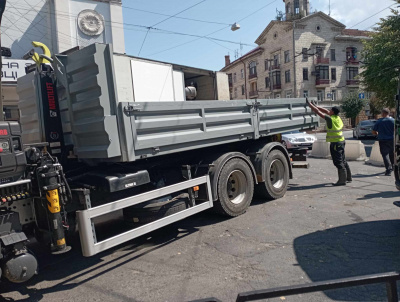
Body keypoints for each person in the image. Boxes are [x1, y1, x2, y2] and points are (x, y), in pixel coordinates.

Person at [307, 99, 352, 186]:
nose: (329, 111)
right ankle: (348, 177)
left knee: (338, 162)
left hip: (336, 143)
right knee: (343, 160)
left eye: (331, 110)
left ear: (333, 112)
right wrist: (315, 105)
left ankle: (342, 180)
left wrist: (310, 105)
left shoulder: (331, 119)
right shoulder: (337, 117)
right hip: (341, 141)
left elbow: (319, 112)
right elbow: (325, 111)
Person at [372, 108, 394, 176]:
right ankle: (393, 167)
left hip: (382, 140)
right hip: (392, 139)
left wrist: (377, 134)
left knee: (385, 154)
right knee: (391, 153)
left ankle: (388, 169)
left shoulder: (379, 121)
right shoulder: (393, 121)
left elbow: (373, 131)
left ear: (383, 113)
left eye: (381, 113)